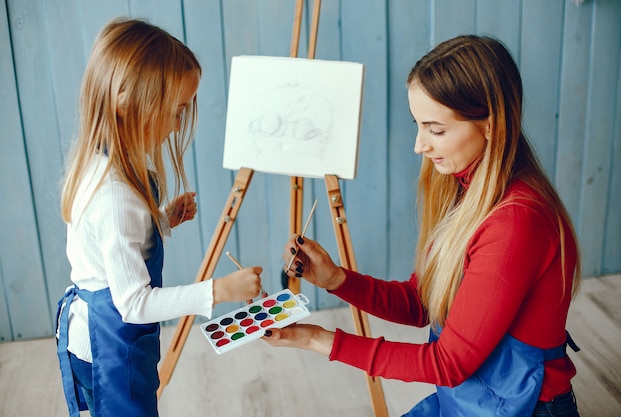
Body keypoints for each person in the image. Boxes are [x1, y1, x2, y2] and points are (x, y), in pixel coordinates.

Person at [265, 34, 582, 417]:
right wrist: (337, 280)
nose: (420, 145)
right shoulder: (468, 190)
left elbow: (448, 364)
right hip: (474, 397)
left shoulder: (515, 222)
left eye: (436, 130)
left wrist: (319, 339)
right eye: (418, 125)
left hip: (519, 407)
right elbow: (425, 304)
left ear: (491, 126)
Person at [55, 17, 263, 417]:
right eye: (176, 111)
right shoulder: (112, 194)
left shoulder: (107, 164)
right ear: (128, 100)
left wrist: (163, 220)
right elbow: (133, 304)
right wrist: (218, 290)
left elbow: (111, 246)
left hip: (112, 338)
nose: (176, 127)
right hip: (108, 347)